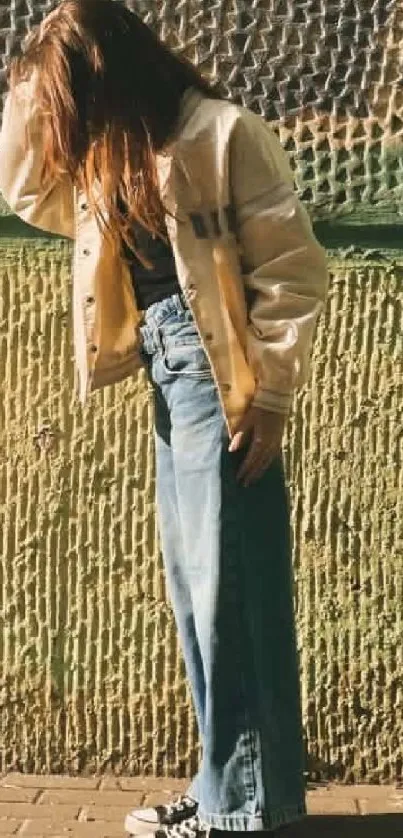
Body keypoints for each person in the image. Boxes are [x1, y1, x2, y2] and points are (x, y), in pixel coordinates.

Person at [0, 1, 329, 835]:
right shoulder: (111, 157)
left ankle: (242, 807)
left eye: (66, 102)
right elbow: (22, 184)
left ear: (105, 79)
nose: (59, 125)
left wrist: (272, 397)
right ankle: (233, 791)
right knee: (198, 596)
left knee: (232, 593)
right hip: (165, 367)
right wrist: (30, 85)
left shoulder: (222, 133)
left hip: (220, 376)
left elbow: (291, 271)